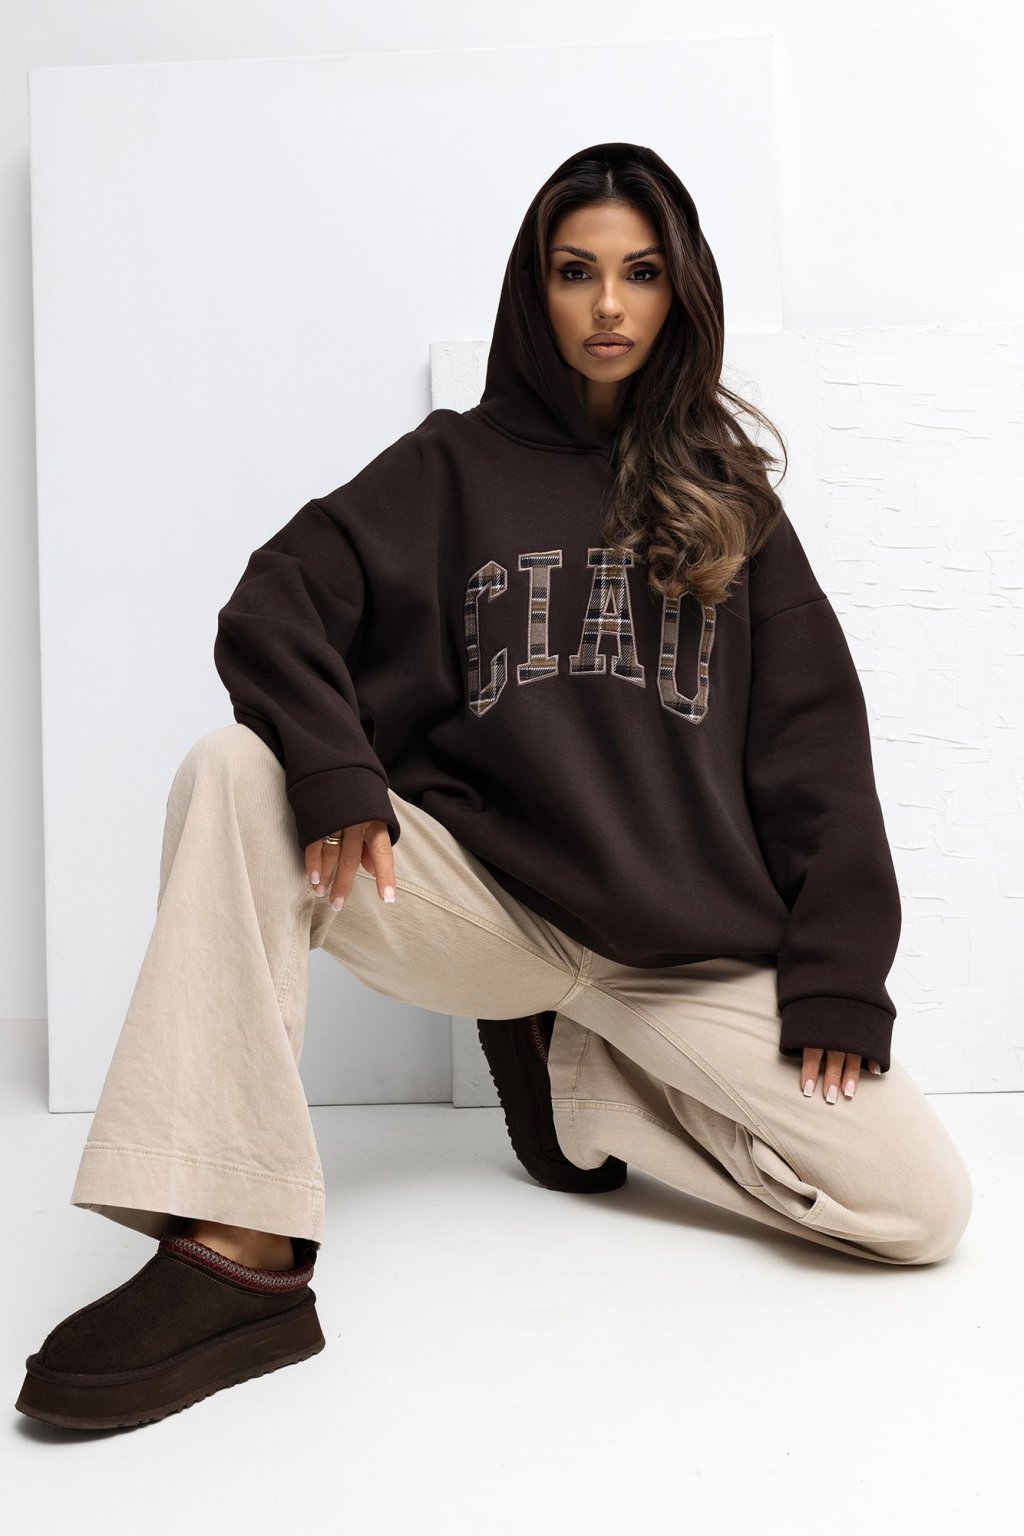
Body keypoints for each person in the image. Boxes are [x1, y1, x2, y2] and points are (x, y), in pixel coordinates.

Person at [16, 141, 973, 1431]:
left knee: (917, 1209)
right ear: (537, 287)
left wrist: (839, 972)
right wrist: (337, 769)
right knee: (232, 767)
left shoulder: (731, 499)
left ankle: (575, 1083)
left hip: (685, 959)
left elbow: (819, 753)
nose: (609, 306)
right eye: (578, 272)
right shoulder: (450, 467)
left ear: (681, 291)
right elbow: (276, 598)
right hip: (484, 909)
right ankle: (236, 1241)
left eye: (641, 274)